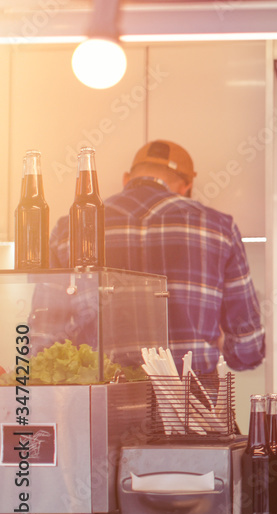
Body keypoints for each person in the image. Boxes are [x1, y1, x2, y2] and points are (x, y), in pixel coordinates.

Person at [47, 140, 265, 377]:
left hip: (99, 404)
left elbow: (44, 337)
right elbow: (248, 350)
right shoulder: (219, 228)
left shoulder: (71, 228)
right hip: (191, 407)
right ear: (187, 186)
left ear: (126, 178)